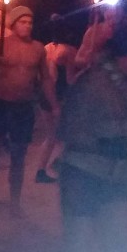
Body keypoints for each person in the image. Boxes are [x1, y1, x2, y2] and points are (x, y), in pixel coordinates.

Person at [42, 22, 127, 252]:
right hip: (84, 176)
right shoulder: (90, 83)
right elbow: (67, 130)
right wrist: (107, 141)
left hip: (122, 176)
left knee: (119, 249)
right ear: (123, 57)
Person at [0, 6, 59, 206]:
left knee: (19, 156)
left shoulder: (37, 48)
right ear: (13, 23)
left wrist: (54, 105)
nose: (27, 26)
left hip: (23, 107)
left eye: (30, 22)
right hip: (1, 104)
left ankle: (15, 202)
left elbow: (45, 79)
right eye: (22, 22)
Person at [35, 17, 78, 183]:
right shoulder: (69, 50)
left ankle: (42, 170)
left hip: (43, 95)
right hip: (59, 96)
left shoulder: (46, 48)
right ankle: (59, 165)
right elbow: (69, 79)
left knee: (52, 135)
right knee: (70, 133)